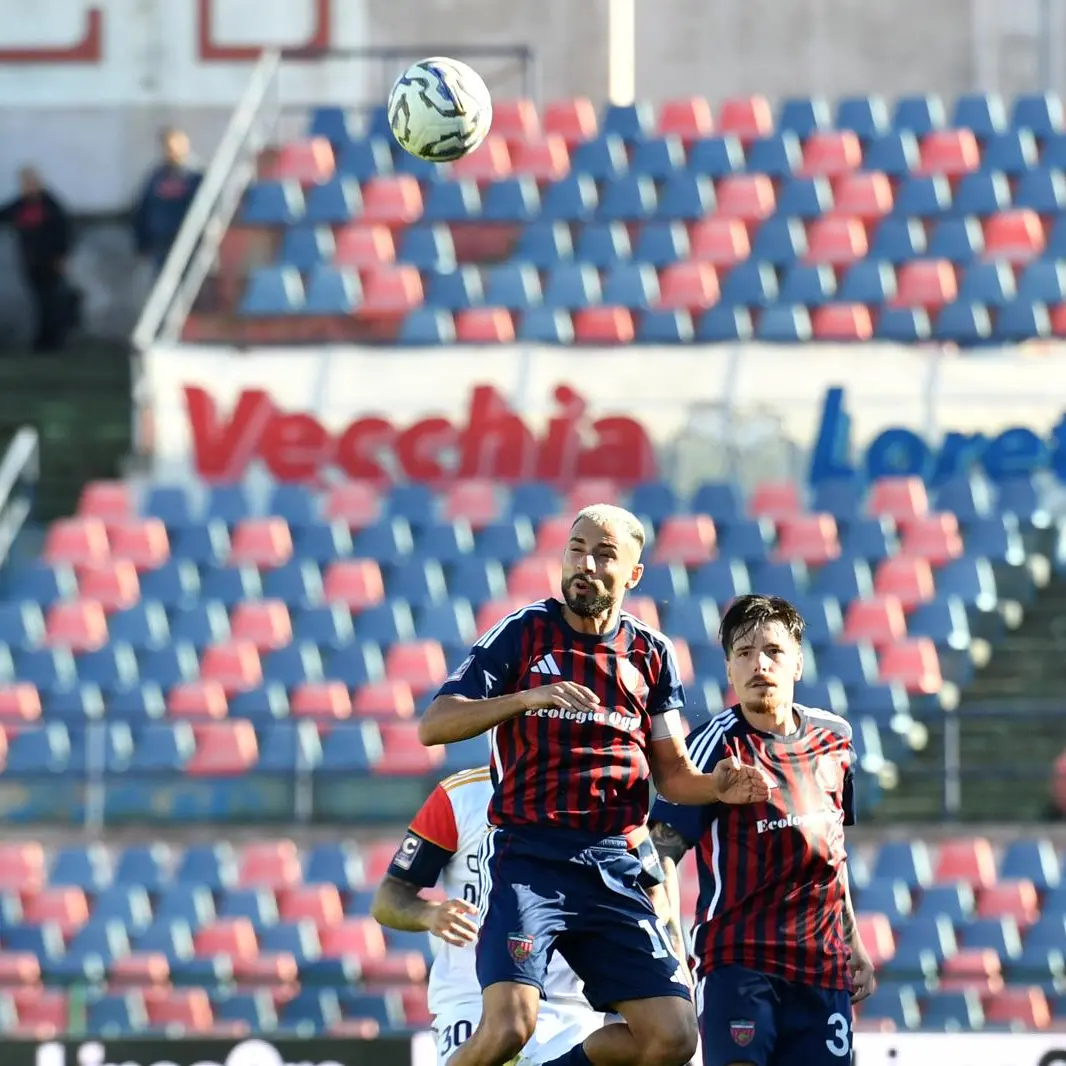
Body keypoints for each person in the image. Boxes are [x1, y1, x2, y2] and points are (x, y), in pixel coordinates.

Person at [417, 504, 771, 1066]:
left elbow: (673, 776)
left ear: (633, 574)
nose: (585, 564)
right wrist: (526, 698)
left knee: (674, 1036)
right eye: (577, 549)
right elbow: (434, 724)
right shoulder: (525, 632)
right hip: (531, 857)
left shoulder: (652, 654)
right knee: (509, 1026)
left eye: (605, 555)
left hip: (612, 865)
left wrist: (716, 787)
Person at [648, 594, 877, 1066]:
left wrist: (853, 945)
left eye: (773, 651)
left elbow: (833, 852)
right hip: (739, 965)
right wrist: (672, 951)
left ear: (796, 663)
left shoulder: (835, 738)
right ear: (729, 669)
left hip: (822, 970)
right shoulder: (710, 749)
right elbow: (659, 849)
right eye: (744, 653)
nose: (759, 664)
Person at [372, 764, 665, 1065]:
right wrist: (429, 914)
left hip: (573, 1006)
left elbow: (654, 894)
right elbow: (389, 897)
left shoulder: (604, 793)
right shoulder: (461, 795)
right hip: (476, 1001)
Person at [0, 167, 75, 351]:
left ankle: (53, 340)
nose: (28, 186)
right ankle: (43, 340)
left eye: (31, 182)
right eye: (25, 182)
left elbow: (63, 232)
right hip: (31, 262)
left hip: (50, 262)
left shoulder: (50, 205)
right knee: (39, 302)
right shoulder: (20, 205)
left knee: (51, 301)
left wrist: (61, 257)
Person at [132, 127, 203, 273]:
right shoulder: (156, 176)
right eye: (168, 146)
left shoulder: (196, 176)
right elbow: (143, 210)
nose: (172, 151)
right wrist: (142, 244)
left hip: (189, 245)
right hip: (160, 246)